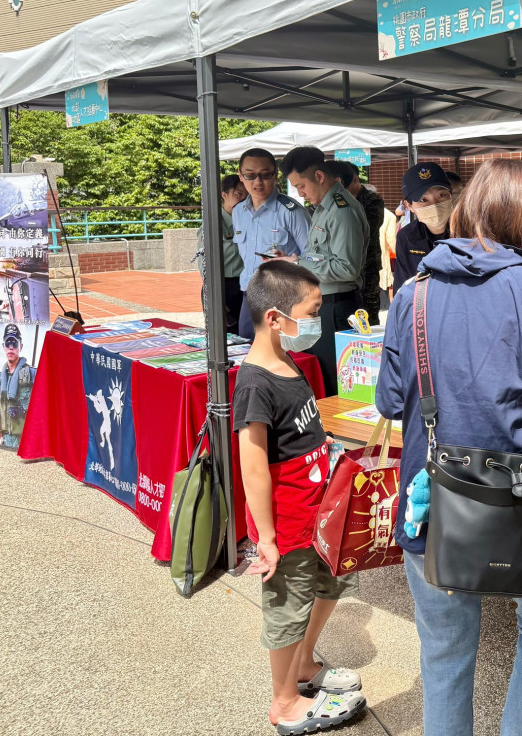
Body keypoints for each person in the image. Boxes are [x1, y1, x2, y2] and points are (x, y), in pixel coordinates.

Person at [375, 158, 522, 736]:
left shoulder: (414, 293)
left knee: (444, 648)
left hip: (431, 497)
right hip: (517, 500)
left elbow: (389, 399)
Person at [234, 261, 366, 735]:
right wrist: (267, 540)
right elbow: (253, 467)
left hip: (320, 510)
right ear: (275, 318)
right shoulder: (254, 382)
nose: (316, 322)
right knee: (288, 608)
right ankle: (285, 702)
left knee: (333, 584)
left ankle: (305, 664)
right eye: (311, 313)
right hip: (288, 526)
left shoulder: (289, 360)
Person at [277, 147, 369, 396]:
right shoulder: (323, 208)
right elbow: (317, 256)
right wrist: (293, 261)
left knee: (335, 384)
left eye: (301, 186)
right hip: (323, 305)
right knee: (321, 378)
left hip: (336, 308)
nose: (300, 193)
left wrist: (298, 265)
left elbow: (346, 268)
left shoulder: (342, 211)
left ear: (319, 176)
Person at [232, 149, 311, 340]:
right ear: (240, 176)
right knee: (247, 349)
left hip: (283, 299)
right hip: (249, 295)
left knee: (282, 352)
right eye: (250, 175)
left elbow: (312, 258)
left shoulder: (292, 212)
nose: (258, 182)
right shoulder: (238, 212)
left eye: (265, 175)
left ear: (275, 175)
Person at [326, 161, 386, 323]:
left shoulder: (372, 200)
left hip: (367, 266)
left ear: (354, 179)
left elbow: (363, 228)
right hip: (343, 268)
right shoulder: (336, 202)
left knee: (368, 313)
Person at [196, 174, 248, 335]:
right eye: (238, 194)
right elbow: (204, 263)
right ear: (224, 195)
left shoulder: (250, 220)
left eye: (247, 195)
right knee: (224, 337)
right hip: (222, 287)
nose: (243, 199)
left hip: (245, 286)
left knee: (246, 335)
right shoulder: (213, 224)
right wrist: (215, 295)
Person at [393, 162, 453, 293]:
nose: (435, 205)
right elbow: (402, 287)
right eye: (424, 200)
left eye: (441, 195)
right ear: (409, 206)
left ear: (451, 195)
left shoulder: (470, 232)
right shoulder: (407, 237)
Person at [0, 323, 34, 449]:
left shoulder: (33, 374)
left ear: (20, 346)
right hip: (5, 441)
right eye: (8, 343)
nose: (11, 347)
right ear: (3, 346)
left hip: (25, 441)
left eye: (14, 343)